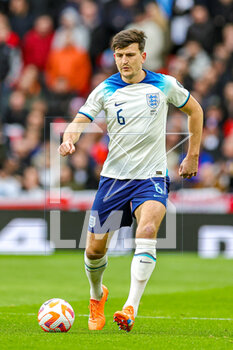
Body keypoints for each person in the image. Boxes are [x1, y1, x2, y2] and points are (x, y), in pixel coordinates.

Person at [58, 29, 203, 332]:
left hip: (150, 176)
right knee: (95, 250)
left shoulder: (164, 84)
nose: (124, 61)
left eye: (130, 55)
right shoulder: (105, 90)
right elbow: (79, 121)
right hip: (114, 179)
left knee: (148, 229)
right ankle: (97, 295)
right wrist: (69, 139)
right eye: (119, 55)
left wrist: (192, 155)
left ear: (143, 56)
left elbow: (195, 110)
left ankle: (130, 308)